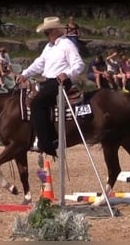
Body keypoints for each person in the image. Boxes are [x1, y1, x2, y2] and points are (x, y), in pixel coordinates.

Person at [16, 16, 85, 157]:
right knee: (29, 98)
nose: (46, 35)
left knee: (37, 103)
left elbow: (79, 65)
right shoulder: (49, 47)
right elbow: (39, 63)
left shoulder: (67, 44)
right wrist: (25, 74)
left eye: (47, 32)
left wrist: (67, 73)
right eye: (45, 33)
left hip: (61, 81)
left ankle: (46, 143)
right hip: (48, 81)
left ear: (53, 31)